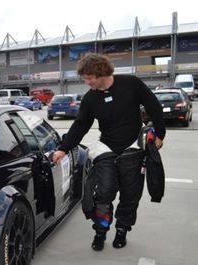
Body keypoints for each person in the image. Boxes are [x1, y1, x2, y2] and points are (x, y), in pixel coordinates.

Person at [51, 53, 165, 251]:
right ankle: (100, 231)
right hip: (107, 148)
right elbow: (80, 125)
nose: (86, 82)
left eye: (89, 78)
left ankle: (122, 229)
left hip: (133, 148)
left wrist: (160, 134)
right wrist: (63, 148)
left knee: (130, 195)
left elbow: (154, 106)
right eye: (84, 78)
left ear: (101, 72)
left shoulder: (131, 84)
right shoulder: (90, 99)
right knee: (104, 193)